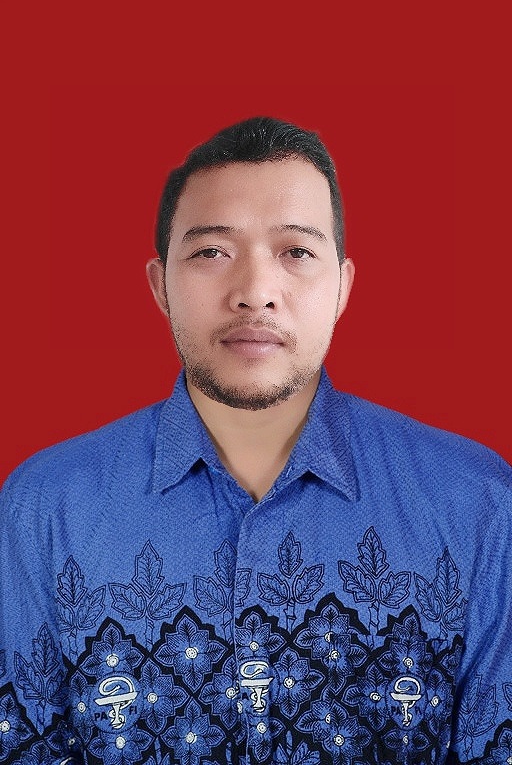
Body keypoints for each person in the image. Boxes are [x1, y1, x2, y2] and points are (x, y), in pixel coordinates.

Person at [0, 116, 511, 765]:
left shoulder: (478, 506)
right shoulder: (44, 508)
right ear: (160, 285)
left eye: (296, 252)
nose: (255, 293)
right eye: (212, 252)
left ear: (343, 287)